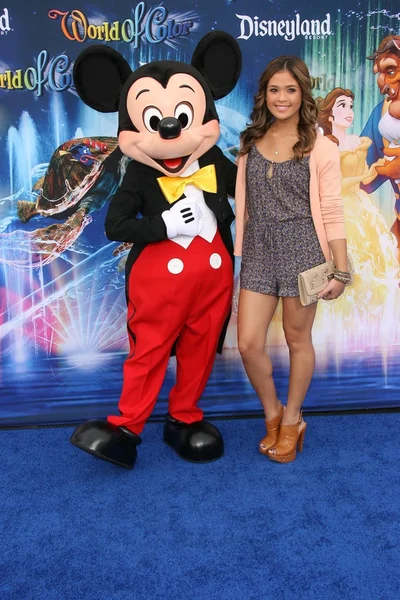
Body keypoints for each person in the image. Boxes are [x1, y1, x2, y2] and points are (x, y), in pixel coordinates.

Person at [234, 56, 348, 463]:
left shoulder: (320, 145)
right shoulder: (249, 143)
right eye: (274, 89)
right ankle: (273, 414)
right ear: (264, 94)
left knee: (298, 340)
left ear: (303, 94)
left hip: (305, 248)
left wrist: (342, 270)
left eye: (291, 90)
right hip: (260, 247)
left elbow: (332, 210)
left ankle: (293, 420)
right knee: (248, 343)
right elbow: (245, 208)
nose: (282, 98)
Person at [316, 88, 398, 317]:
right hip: (337, 207)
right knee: (342, 256)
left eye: (351, 106)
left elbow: (365, 177)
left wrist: (374, 170)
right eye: (342, 106)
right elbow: (335, 184)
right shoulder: (325, 145)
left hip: (359, 205)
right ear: (330, 115)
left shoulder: (357, 141)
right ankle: (334, 316)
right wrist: (363, 176)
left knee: (373, 259)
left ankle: (363, 317)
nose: (349, 111)